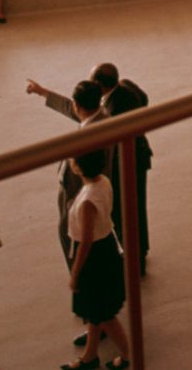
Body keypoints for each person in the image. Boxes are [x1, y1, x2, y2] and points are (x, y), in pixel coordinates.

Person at [64, 150, 134, 370]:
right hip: (107, 249)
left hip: (95, 258)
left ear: (77, 167)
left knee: (104, 315)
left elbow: (86, 240)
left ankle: (127, 356)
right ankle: (90, 355)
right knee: (96, 311)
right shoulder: (102, 182)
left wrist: (75, 272)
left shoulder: (87, 201)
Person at [25, 78, 106, 268]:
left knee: (72, 238)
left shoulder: (91, 135)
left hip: (78, 195)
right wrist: (43, 92)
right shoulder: (101, 117)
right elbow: (70, 108)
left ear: (77, 105)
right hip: (84, 192)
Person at [103, 81, 153, 278]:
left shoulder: (115, 110)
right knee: (137, 209)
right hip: (139, 159)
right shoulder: (127, 90)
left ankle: (136, 262)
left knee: (125, 214)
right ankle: (141, 251)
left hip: (127, 165)